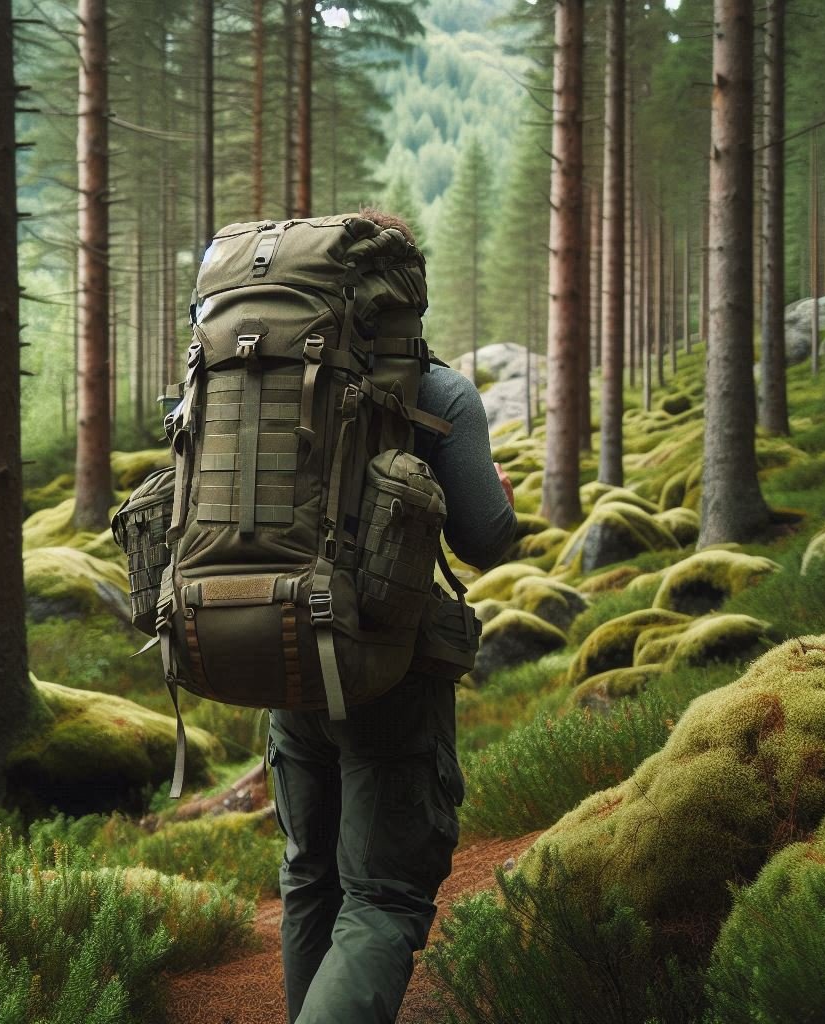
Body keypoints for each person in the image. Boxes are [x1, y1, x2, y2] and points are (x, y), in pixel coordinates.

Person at [267, 211, 517, 1024]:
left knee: (311, 872)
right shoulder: (436, 389)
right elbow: (484, 540)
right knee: (383, 895)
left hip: (280, 649)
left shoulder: (261, 375)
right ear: (405, 293)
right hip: (388, 667)